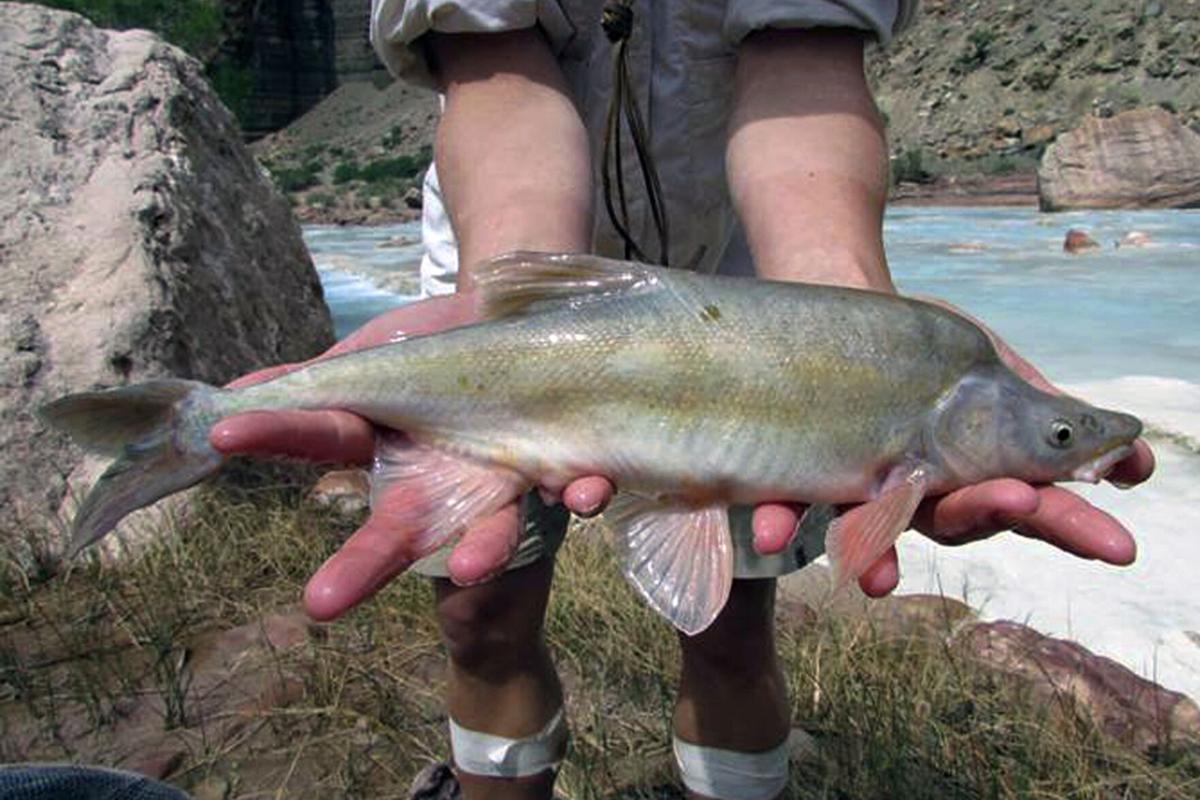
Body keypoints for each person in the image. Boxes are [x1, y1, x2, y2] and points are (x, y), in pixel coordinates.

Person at [210, 2, 1156, 798]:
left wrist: (845, 300)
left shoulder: (937, 377)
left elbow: (804, 48)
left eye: (1063, 436)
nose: (1070, 442)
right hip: (514, 277)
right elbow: (495, 63)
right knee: (479, 618)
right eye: (1061, 436)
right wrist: (511, 299)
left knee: (732, 631)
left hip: (763, 296)